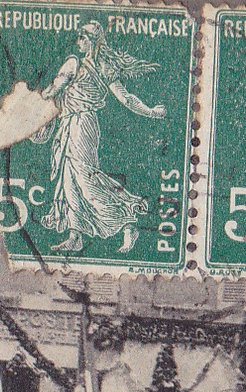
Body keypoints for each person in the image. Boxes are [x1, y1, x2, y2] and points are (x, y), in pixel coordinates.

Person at [36, 21, 165, 255]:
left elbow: (54, 90)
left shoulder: (75, 63)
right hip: (73, 124)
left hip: (80, 124)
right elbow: (125, 98)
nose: (78, 41)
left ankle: (127, 222)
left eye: (82, 37)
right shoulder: (103, 66)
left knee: (84, 178)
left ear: (92, 40)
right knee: (70, 180)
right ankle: (75, 235)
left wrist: (151, 112)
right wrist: (151, 112)